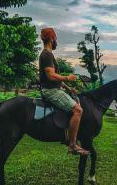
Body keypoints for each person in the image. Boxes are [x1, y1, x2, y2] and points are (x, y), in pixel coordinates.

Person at [39, 27, 89, 156]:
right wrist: (68, 77)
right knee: (78, 110)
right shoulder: (47, 54)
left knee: (76, 101)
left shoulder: (48, 54)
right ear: (51, 38)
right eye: (55, 38)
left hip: (54, 88)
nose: (56, 40)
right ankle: (72, 145)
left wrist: (68, 88)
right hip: (50, 91)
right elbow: (51, 76)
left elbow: (55, 78)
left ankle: (68, 134)